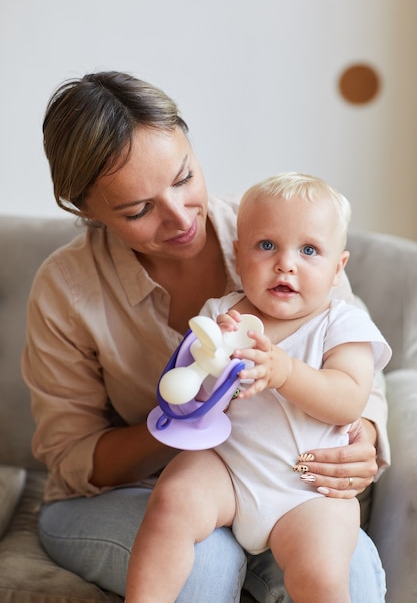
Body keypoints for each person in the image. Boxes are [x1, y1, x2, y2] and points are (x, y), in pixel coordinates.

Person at [22, 71, 390, 603]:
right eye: (138, 209)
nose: (178, 217)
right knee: (206, 556)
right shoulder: (66, 289)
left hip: (284, 481)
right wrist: (188, 418)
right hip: (133, 493)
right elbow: (74, 457)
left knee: (346, 567)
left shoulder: (283, 232)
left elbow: (355, 366)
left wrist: (367, 436)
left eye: (183, 177)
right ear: (88, 212)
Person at [124, 173, 391, 603]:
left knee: (322, 575)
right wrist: (211, 360)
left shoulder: (343, 324)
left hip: (307, 489)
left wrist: (284, 372)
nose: (286, 263)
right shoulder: (221, 315)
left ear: (338, 268)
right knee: (171, 500)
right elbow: (195, 399)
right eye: (267, 246)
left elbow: (347, 399)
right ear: (239, 254)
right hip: (228, 472)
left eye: (309, 250)